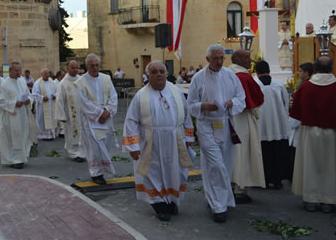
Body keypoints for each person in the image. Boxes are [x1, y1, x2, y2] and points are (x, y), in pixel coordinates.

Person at [123, 60, 195, 221]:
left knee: (176, 170)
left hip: (175, 139)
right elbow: (131, 121)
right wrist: (133, 145)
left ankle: (171, 200)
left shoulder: (175, 92)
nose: (158, 74)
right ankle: (159, 204)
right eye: (154, 72)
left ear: (166, 73)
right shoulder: (141, 96)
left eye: (161, 71)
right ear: (148, 75)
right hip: (151, 142)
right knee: (152, 172)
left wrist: (189, 136)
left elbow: (186, 114)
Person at [187, 44, 246, 223]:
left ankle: (215, 198)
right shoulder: (198, 78)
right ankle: (219, 207)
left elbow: (240, 97)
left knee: (225, 164)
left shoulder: (230, 76)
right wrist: (203, 106)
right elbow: (190, 104)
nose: (219, 61)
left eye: (222, 58)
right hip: (206, 125)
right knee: (216, 163)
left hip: (226, 124)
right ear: (208, 59)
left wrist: (231, 103)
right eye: (215, 58)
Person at [290, 56, 336, 213]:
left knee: (310, 164)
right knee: (331, 166)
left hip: (310, 131)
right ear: (332, 67)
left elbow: (295, 109)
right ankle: (329, 200)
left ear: (315, 68)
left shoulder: (306, 87)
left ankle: (311, 198)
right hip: (332, 132)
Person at [229, 49, 265, 203]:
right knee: (243, 154)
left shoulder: (226, 74)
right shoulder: (244, 77)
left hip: (228, 120)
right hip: (243, 120)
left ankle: (229, 185)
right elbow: (257, 98)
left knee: (231, 154)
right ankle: (240, 189)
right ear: (237, 60)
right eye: (247, 58)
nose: (250, 61)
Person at [76, 53, 118, 185]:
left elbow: (113, 96)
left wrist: (107, 112)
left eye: (96, 65)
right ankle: (96, 173)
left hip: (106, 119)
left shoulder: (106, 78)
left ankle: (102, 169)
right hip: (91, 120)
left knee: (105, 144)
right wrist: (99, 114)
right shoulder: (80, 82)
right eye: (91, 66)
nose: (94, 68)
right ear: (86, 66)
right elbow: (83, 102)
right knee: (94, 147)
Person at [255, 60, 292, 189]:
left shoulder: (255, 85)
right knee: (278, 153)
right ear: (269, 71)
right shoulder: (279, 84)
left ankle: (264, 180)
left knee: (264, 153)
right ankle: (277, 180)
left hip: (261, 127)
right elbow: (286, 104)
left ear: (256, 73)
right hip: (279, 126)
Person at [0, 62, 38, 168]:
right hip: (11, 115)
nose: (19, 72)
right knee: (12, 137)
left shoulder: (22, 81)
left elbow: (29, 95)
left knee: (23, 135)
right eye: (16, 70)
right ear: (10, 71)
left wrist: (30, 100)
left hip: (23, 114)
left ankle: (21, 157)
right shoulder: (4, 84)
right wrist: (14, 103)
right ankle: (14, 160)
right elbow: (0, 101)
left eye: (20, 70)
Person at [55, 60, 86, 162]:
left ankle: (82, 152)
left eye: (77, 68)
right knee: (71, 133)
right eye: (73, 68)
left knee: (82, 133)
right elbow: (59, 100)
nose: (75, 70)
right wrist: (61, 116)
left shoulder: (81, 80)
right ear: (67, 69)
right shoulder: (63, 83)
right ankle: (73, 153)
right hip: (70, 114)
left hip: (81, 113)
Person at [32, 68, 57, 140]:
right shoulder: (37, 83)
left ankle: (51, 135)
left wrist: (55, 95)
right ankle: (44, 136)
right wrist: (42, 98)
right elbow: (34, 95)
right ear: (41, 74)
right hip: (42, 106)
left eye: (48, 73)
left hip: (51, 104)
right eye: (45, 74)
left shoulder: (52, 81)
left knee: (51, 119)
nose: (47, 75)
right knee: (43, 120)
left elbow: (57, 91)